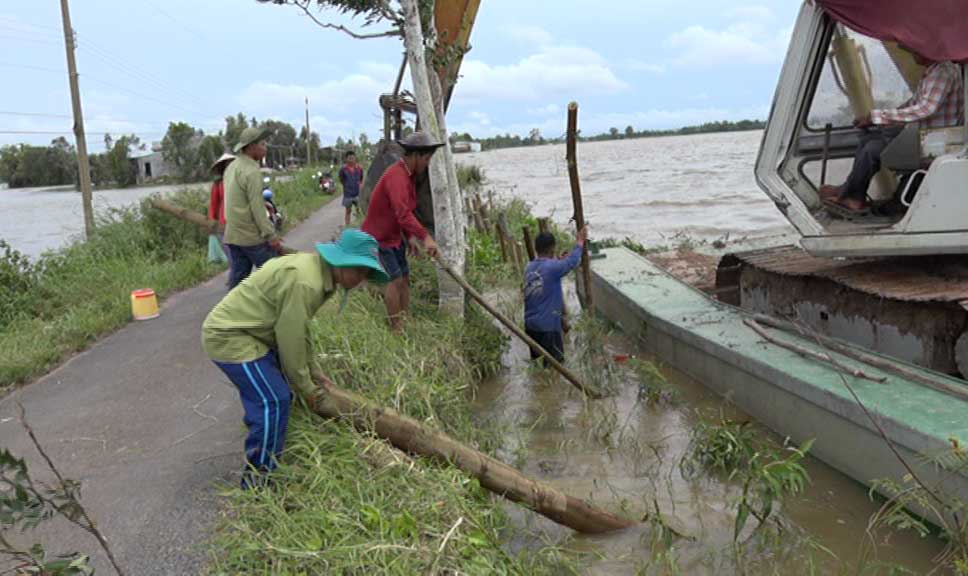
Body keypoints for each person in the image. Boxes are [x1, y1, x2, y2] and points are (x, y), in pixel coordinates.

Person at [201, 229, 389, 488]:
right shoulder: (307, 282)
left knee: (274, 396)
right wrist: (306, 387)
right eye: (361, 271)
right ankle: (259, 482)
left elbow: (301, 329)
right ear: (343, 262)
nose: (361, 279)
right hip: (231, 336)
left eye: (366, 274)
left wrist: (314, 371)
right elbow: (289, 338)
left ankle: (264, 443)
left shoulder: (321, 275)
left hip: (256, 334)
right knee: (274, 400)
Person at [820, 49, 963, 215]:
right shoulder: (937, 71)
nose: (912, 53)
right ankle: (850, 189)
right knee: (869, 139)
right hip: (928, 139)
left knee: (872, 149)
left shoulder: (942, 72)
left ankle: (853, 197)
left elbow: (925, 109)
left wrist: (877, 116)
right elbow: (913, 103)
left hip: (934, 145)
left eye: (912, 48)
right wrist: (879, 118)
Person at [361, 132, 442, 330]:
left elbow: (403, 212)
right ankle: (396, 327)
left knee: (405, 278)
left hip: (394, 237)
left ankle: (406, 320)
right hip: (380, 239)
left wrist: (410, 237)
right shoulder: (397, 176)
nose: (427, 163)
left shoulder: (409, 176)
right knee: (394, 280)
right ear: (415, 155)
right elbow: (403, 214)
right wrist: (426, 237)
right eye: (426, 158)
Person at [223, 126, 281, 288]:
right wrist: (271, 235)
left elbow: (236, 200)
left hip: (233, 233)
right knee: (274, 275)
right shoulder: (252, 171)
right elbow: (257, 208)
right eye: (262, 144)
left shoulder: (232, 166)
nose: (265, 148)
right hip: (250, 236)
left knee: (238, 279)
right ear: (251, 147)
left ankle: (230, 310)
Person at [523, 226, 588, 366]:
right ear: (552, 249)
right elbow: (573, 261)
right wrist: (580, 242)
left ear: (536, 249)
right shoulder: (553, 268)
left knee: (539, 366)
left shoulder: (529, 267)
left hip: (530, 328)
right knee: (556, 368)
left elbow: (545, 274)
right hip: (548, 329)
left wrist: (558, 260)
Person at [208, 153, 235, 228]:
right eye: (228, 165)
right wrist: (212, 222)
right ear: (224, 167)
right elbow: (214, 205)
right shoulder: (218, 184)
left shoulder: (243, 181)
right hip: (225, 222)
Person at [339, 151, 364, 226]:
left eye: (352, 158)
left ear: (355, 158)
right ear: (346, 159)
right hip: (348, 194)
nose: (351, 160)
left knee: (359, 210)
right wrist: (346, 186)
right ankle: (348, 227)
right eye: (349, 158)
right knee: (348, 211)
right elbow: (341, 179)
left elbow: (361, 179)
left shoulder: (359, 168)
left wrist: (359, 186)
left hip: (357, 194)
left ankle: (360, 225)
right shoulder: (343, 169)